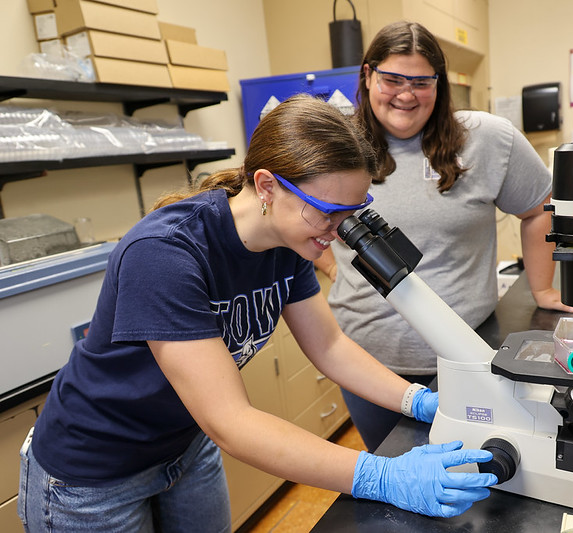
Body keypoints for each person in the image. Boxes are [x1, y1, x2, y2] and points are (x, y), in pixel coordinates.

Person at [17, 95, 498, 533]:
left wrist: (416, 399)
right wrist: (380, 475)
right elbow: (231, 420)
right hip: (92, 473)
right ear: (267, 185)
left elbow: (329, 346)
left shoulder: (290, 241)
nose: (336, 231)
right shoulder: (164, 253)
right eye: (327, 211)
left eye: (350, 212)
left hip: (183, 445)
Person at [315, 21, 573, 453]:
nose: (406, 93)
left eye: (421, 81)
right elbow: (299, 220)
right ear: (367, 76)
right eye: (392, 79)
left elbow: (539, 207)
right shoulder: (335, 144)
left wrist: (543, 287)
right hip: (365, 363)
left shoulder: (487, 139)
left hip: (467, 359)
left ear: (441, 84)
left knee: (476, 483)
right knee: (395, 482)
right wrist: (334, 268)